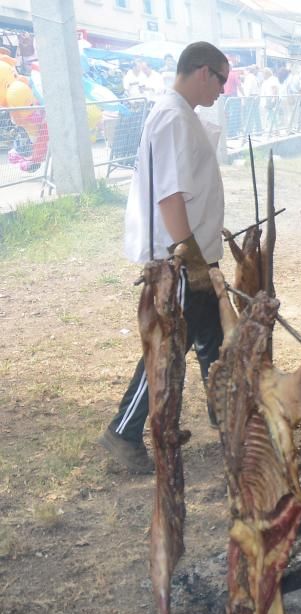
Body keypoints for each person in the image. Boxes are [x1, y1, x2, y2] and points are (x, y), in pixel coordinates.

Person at [100, 42, 229, 474]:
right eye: (221, 79)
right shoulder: (173, 116)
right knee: (167, 350)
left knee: (212, 340)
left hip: (195, 257)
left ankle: (227, 418)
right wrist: (189, 257)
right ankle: (123, 431)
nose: (223, 90)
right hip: (178, 260)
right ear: (203, 72)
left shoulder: (182, 114)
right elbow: (170, 196)